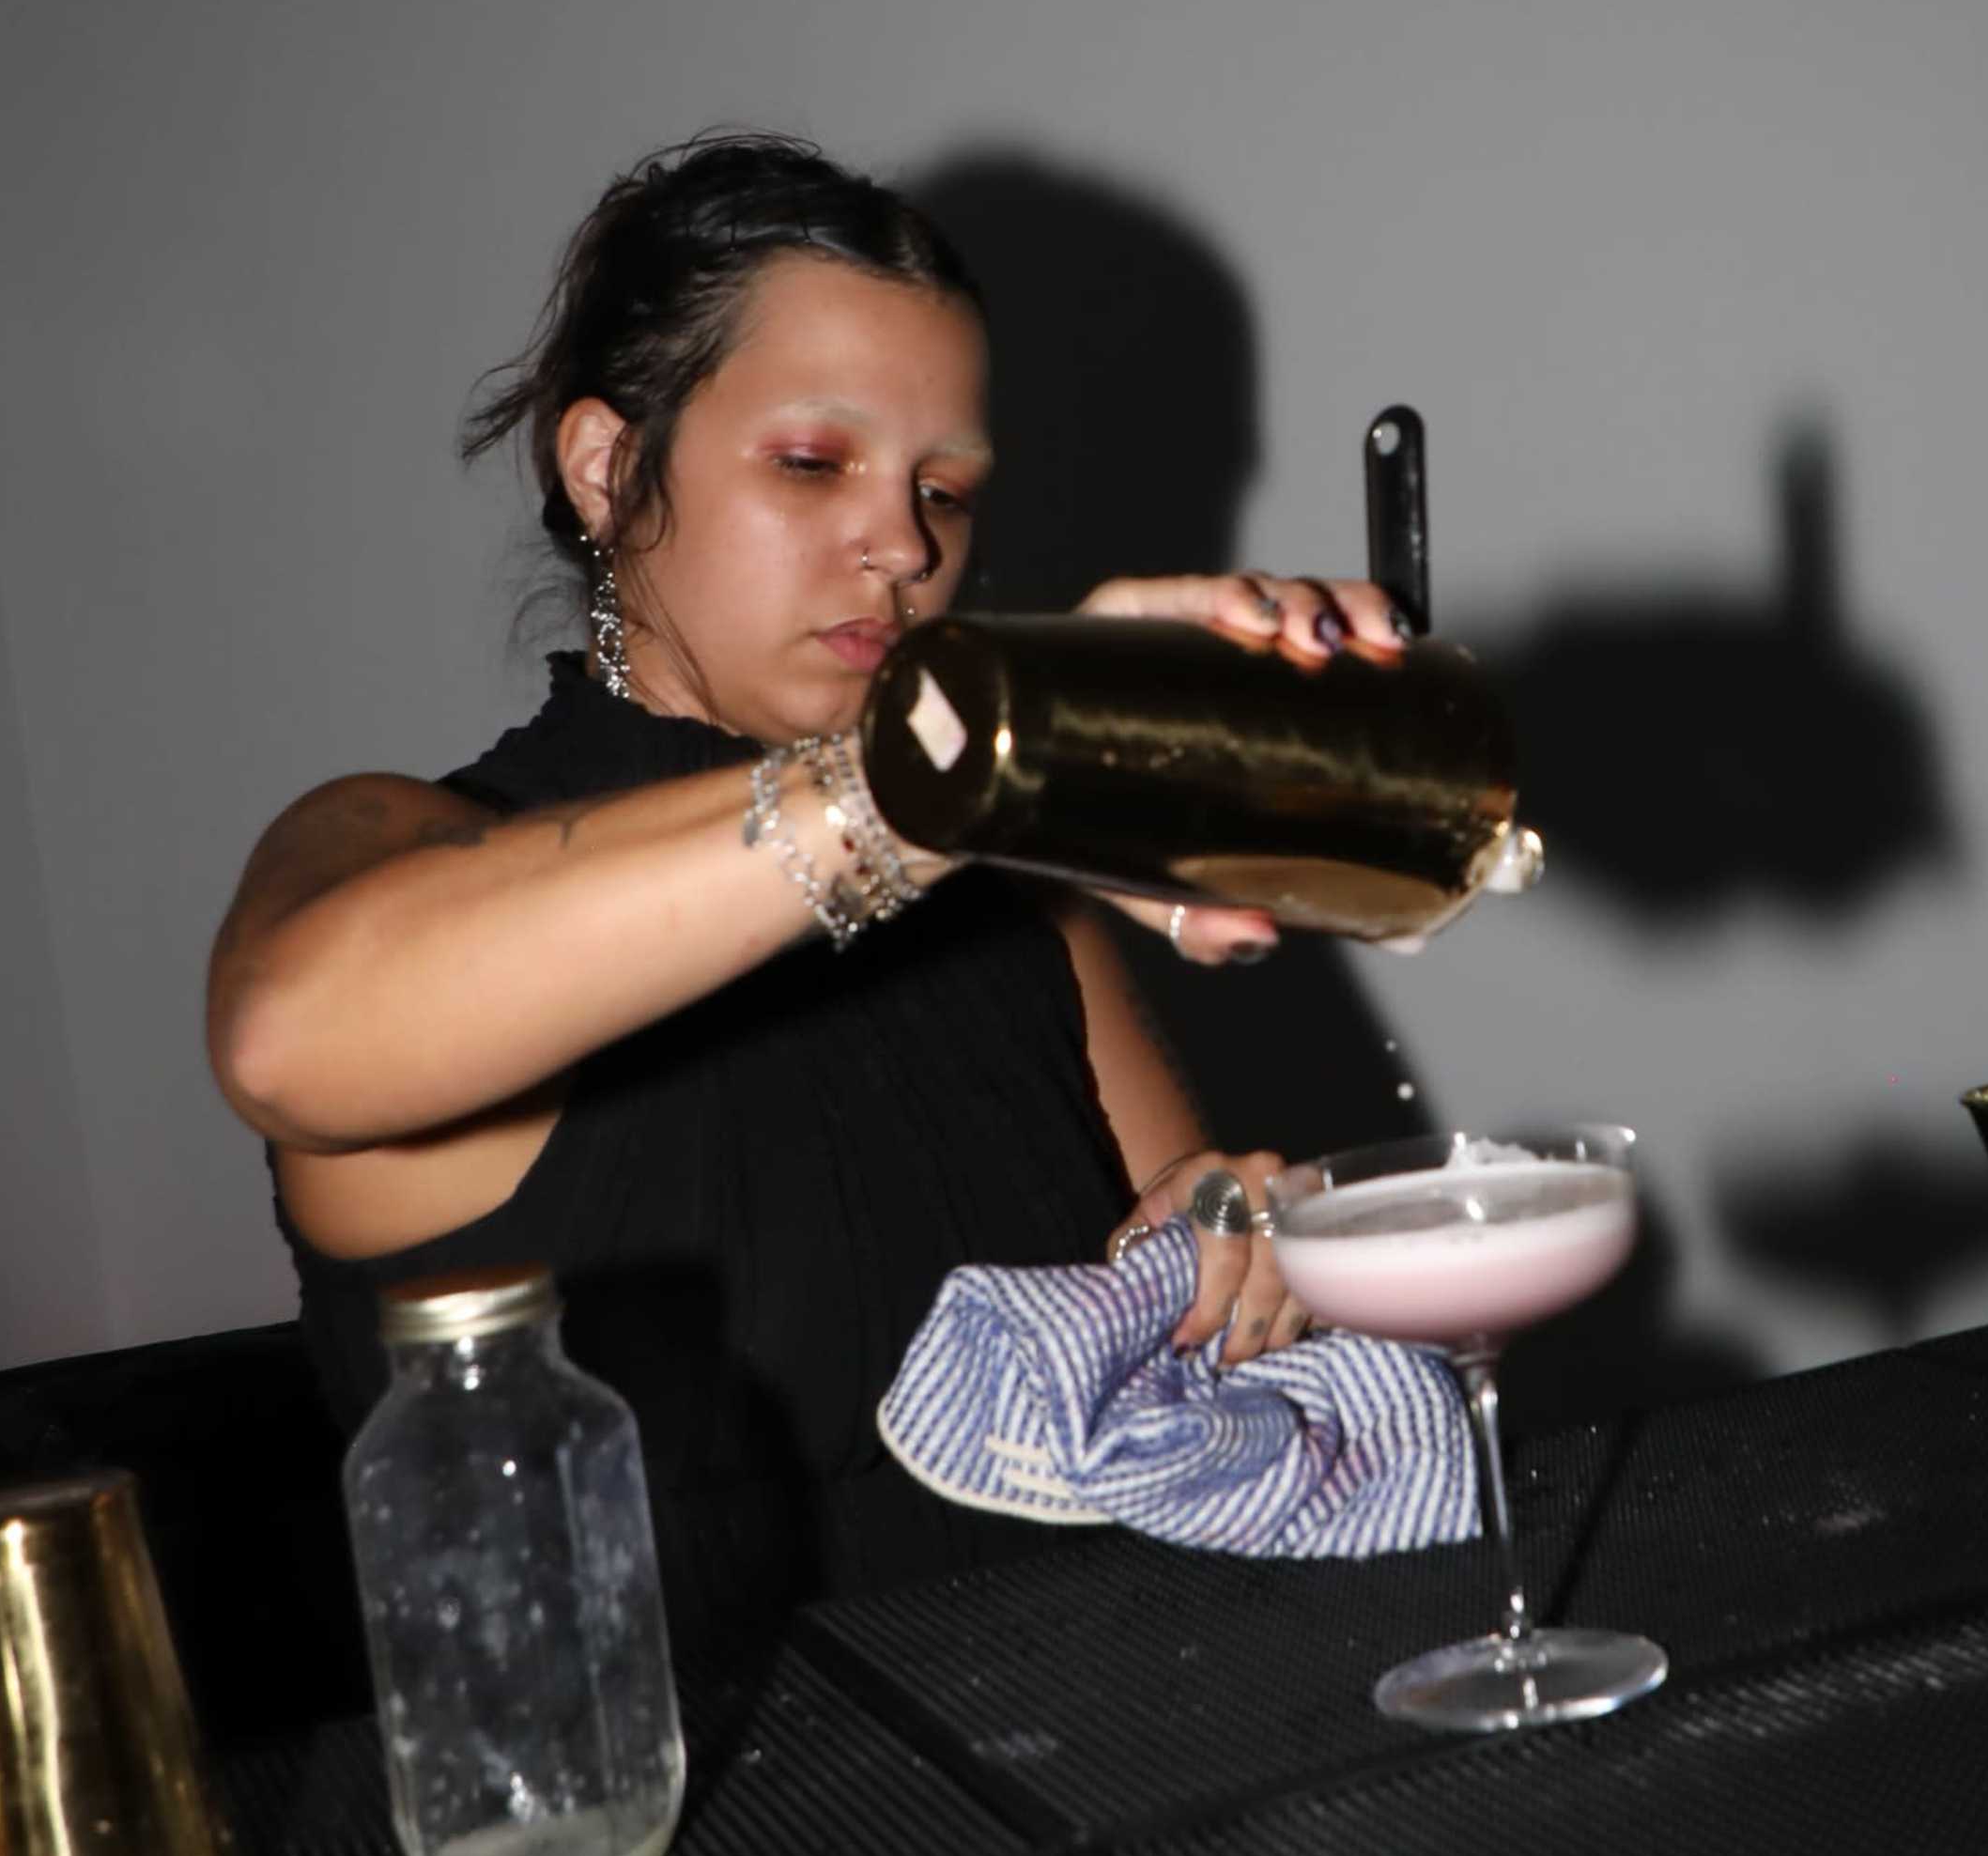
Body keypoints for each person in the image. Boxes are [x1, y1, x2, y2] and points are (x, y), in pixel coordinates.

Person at [206, 131, 1402, 1640]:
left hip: (1088, 1763)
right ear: (607, 465)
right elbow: (289, 1037)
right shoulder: (408, 844)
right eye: (812, 463)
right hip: (676, 1842)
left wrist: (1234, 1247)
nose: (901, 544)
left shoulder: (1008, 906)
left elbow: (1173, 1383)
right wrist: (953, 774)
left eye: (947, 492)